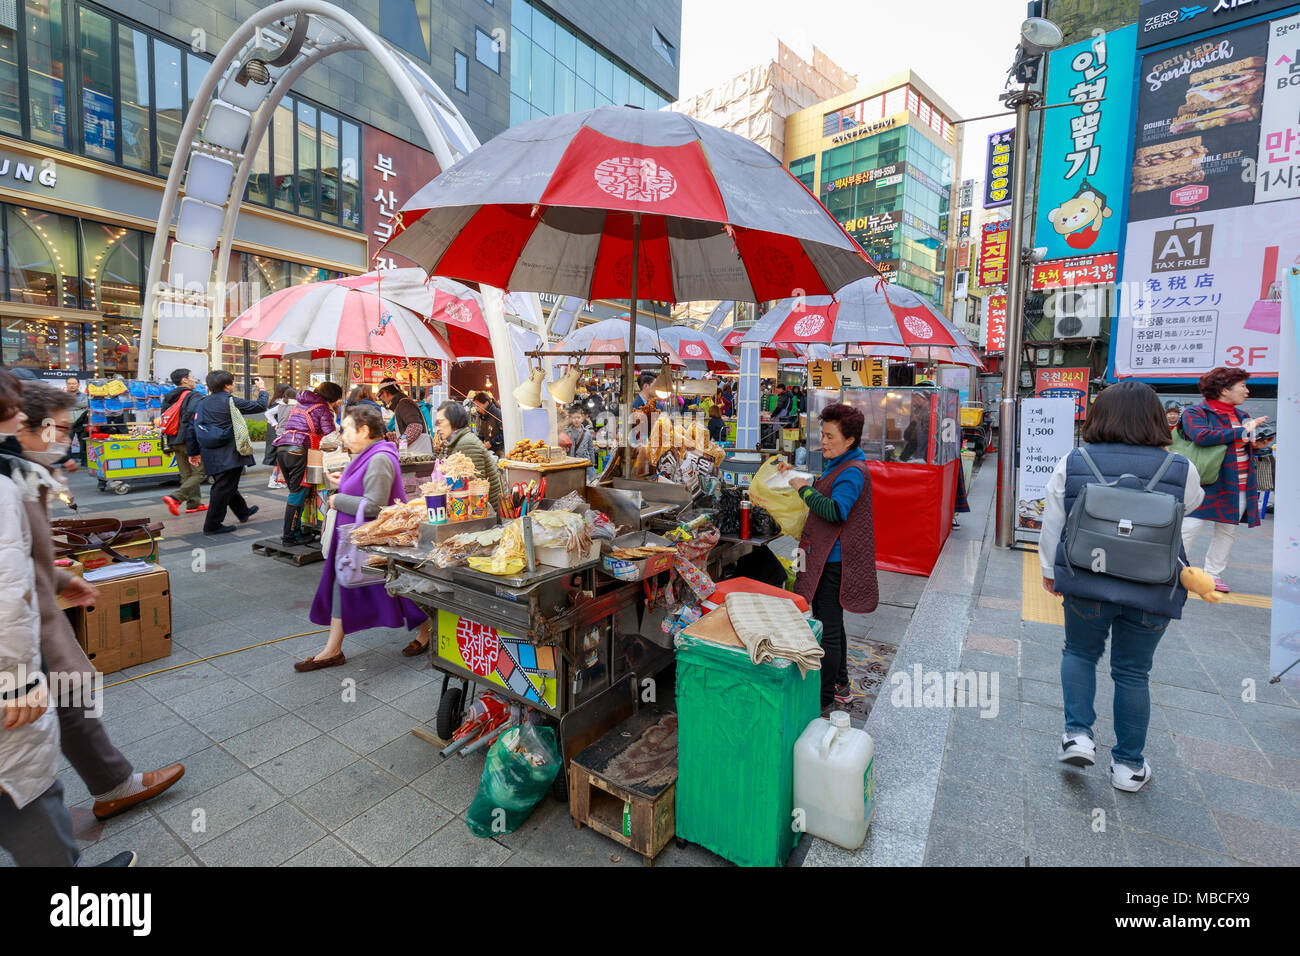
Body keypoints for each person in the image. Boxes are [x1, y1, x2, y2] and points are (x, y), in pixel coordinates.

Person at [0, 376, 182, 832]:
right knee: (33, 747)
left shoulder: (27, 477)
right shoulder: (11, 484)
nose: (66, 440)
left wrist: (62, 577)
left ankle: (112, 786)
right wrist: (16, 679)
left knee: (70, 703)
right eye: (59, 429)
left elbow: (22, 557)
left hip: (33, 621)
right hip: (18, 635)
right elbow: (7, 577)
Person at [1038, 380, 1203, 792]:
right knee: (1133, 672)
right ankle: (1128, 767)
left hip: (1087, 580)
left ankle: (1078, 735)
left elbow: (1053, 521)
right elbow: (1193, 504)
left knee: (1079, 652)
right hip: (1152, 586)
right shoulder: (1179, 467)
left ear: (1099, 415)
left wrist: (1048, 569)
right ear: (1154, 419)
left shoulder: (1074, 460)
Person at [297, 404, 429, 669]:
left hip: (375, 542)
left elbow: (373, 505)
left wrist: (337, 499)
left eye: (347, 430)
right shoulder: (369, 453)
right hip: (359, 540)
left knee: (396, 588)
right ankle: (333, 649)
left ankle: (428, 629)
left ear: (365, 430)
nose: (343, 436)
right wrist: (342, 481)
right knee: (350, 586)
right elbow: (365, 486)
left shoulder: (380, 457)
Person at [781, 403, 878, 711]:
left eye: (829, 436)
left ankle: (822, 699)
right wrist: (797, 476)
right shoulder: (841, 463)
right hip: (824, 557)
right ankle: (841, 685)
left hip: (834, 563)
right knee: (833, 623)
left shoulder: (853, 471)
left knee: (828, 629)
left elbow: (836, 511)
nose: (822, 441)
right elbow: (825, 486)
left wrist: (803, 491)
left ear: (849, 439)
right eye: (821, 435)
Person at [1178, 368, 1268, 594]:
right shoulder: (1196, 412)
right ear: (1225, 389)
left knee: (1228, 530)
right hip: (1205, 481)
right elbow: (1201, 436)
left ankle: (1213, 574)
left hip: (1238, 481)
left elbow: (1240, 442)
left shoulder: (1242, 416)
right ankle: (1171, 569)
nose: (1247, 391)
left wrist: (1255, 444)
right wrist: (1241, 432)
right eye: (1243, 386)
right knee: (1189, 527)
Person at [186, 371, 268, 535]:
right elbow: (260, 406)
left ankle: (242, 512)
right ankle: (212, 525)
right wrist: (262, 389)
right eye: (232, 382)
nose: (233, 385)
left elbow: (192, 427)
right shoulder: (230, 400)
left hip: (210, 452)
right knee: (222, 488)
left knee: (226, 484)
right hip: (230, 452)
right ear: (227, 385)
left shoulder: (202, 402)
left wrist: (193, 452)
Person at [272, 382, 343, 546]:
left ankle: (295, 532)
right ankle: (289, 537)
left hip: (283, 448)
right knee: (297, 494)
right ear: (333, 396)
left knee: (296, 493)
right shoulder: (322, 407)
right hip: (300, 450)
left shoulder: (301, 403)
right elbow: (331, 436)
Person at [434, 401, 503, 513]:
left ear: (454, 421)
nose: (437, 428)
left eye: (440, 422)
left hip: (485, 514)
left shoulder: (466, 443)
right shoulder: (453, 442)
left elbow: (475, 487)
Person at [161, 368, 207, 515]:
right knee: (200, 473)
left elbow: (164, 420)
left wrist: (168, 444)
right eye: (192, 377)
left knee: (187, 475)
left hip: (174, 440)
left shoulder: (168, 397)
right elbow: (193, 419)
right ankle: (176, 497)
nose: (194, 380)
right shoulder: (194, 396)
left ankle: (193, 504)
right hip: (189, 440)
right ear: (184, 380)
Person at [378, 382, 432, 455]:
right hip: (417, 453)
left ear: (385, 393)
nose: (381, 398)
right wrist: (395, 436)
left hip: (417, 454)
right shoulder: (402, 403)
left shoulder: (404, 404)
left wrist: (398, 443)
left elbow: (416, 426)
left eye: (380, 395)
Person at [560, 403, 597, 481]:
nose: (576, 420)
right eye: (573, 418)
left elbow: (590, 448)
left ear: (582, 418)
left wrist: (592, 463)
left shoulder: (587, 432)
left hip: (585, 461)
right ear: (570, 419)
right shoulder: (567, 432)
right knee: (575, 481)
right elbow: (563, 448)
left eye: (578, 417)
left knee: (592, 480)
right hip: (572, 463)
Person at [263, 383, 295, 466]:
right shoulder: (283, 403)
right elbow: (269, 414)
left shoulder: (276, 402)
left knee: (276, 451)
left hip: (275, 429)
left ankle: (275, 473)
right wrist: (275, 424)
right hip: (279, 429)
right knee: (278, 454)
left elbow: (268, 414)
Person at [472, 391, 506, 457]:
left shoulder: (497, 413)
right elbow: (481, 435)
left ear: (486, 403)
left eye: (478, 406)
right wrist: (476, 443)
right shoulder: (483, 416)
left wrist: (491, 443)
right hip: (490, 453)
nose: (477, 409)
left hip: (500, 452)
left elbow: (505, 434)